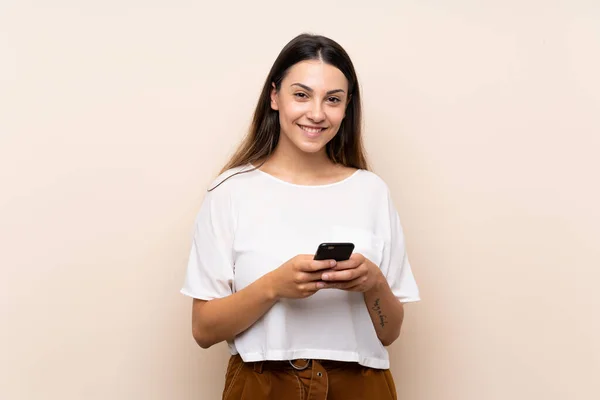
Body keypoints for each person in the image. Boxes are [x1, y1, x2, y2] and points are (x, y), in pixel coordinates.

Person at [180, 33, 420, 400]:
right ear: (275, 96)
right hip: (262, 383)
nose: (317, 113)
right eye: (302, 94)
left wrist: (372, 281)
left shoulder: (372, 192)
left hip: (362, 385)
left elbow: (389, 333)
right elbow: (203, 330)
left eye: (333, 100)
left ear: (347, 107)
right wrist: (275, 286)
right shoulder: (229, 192)